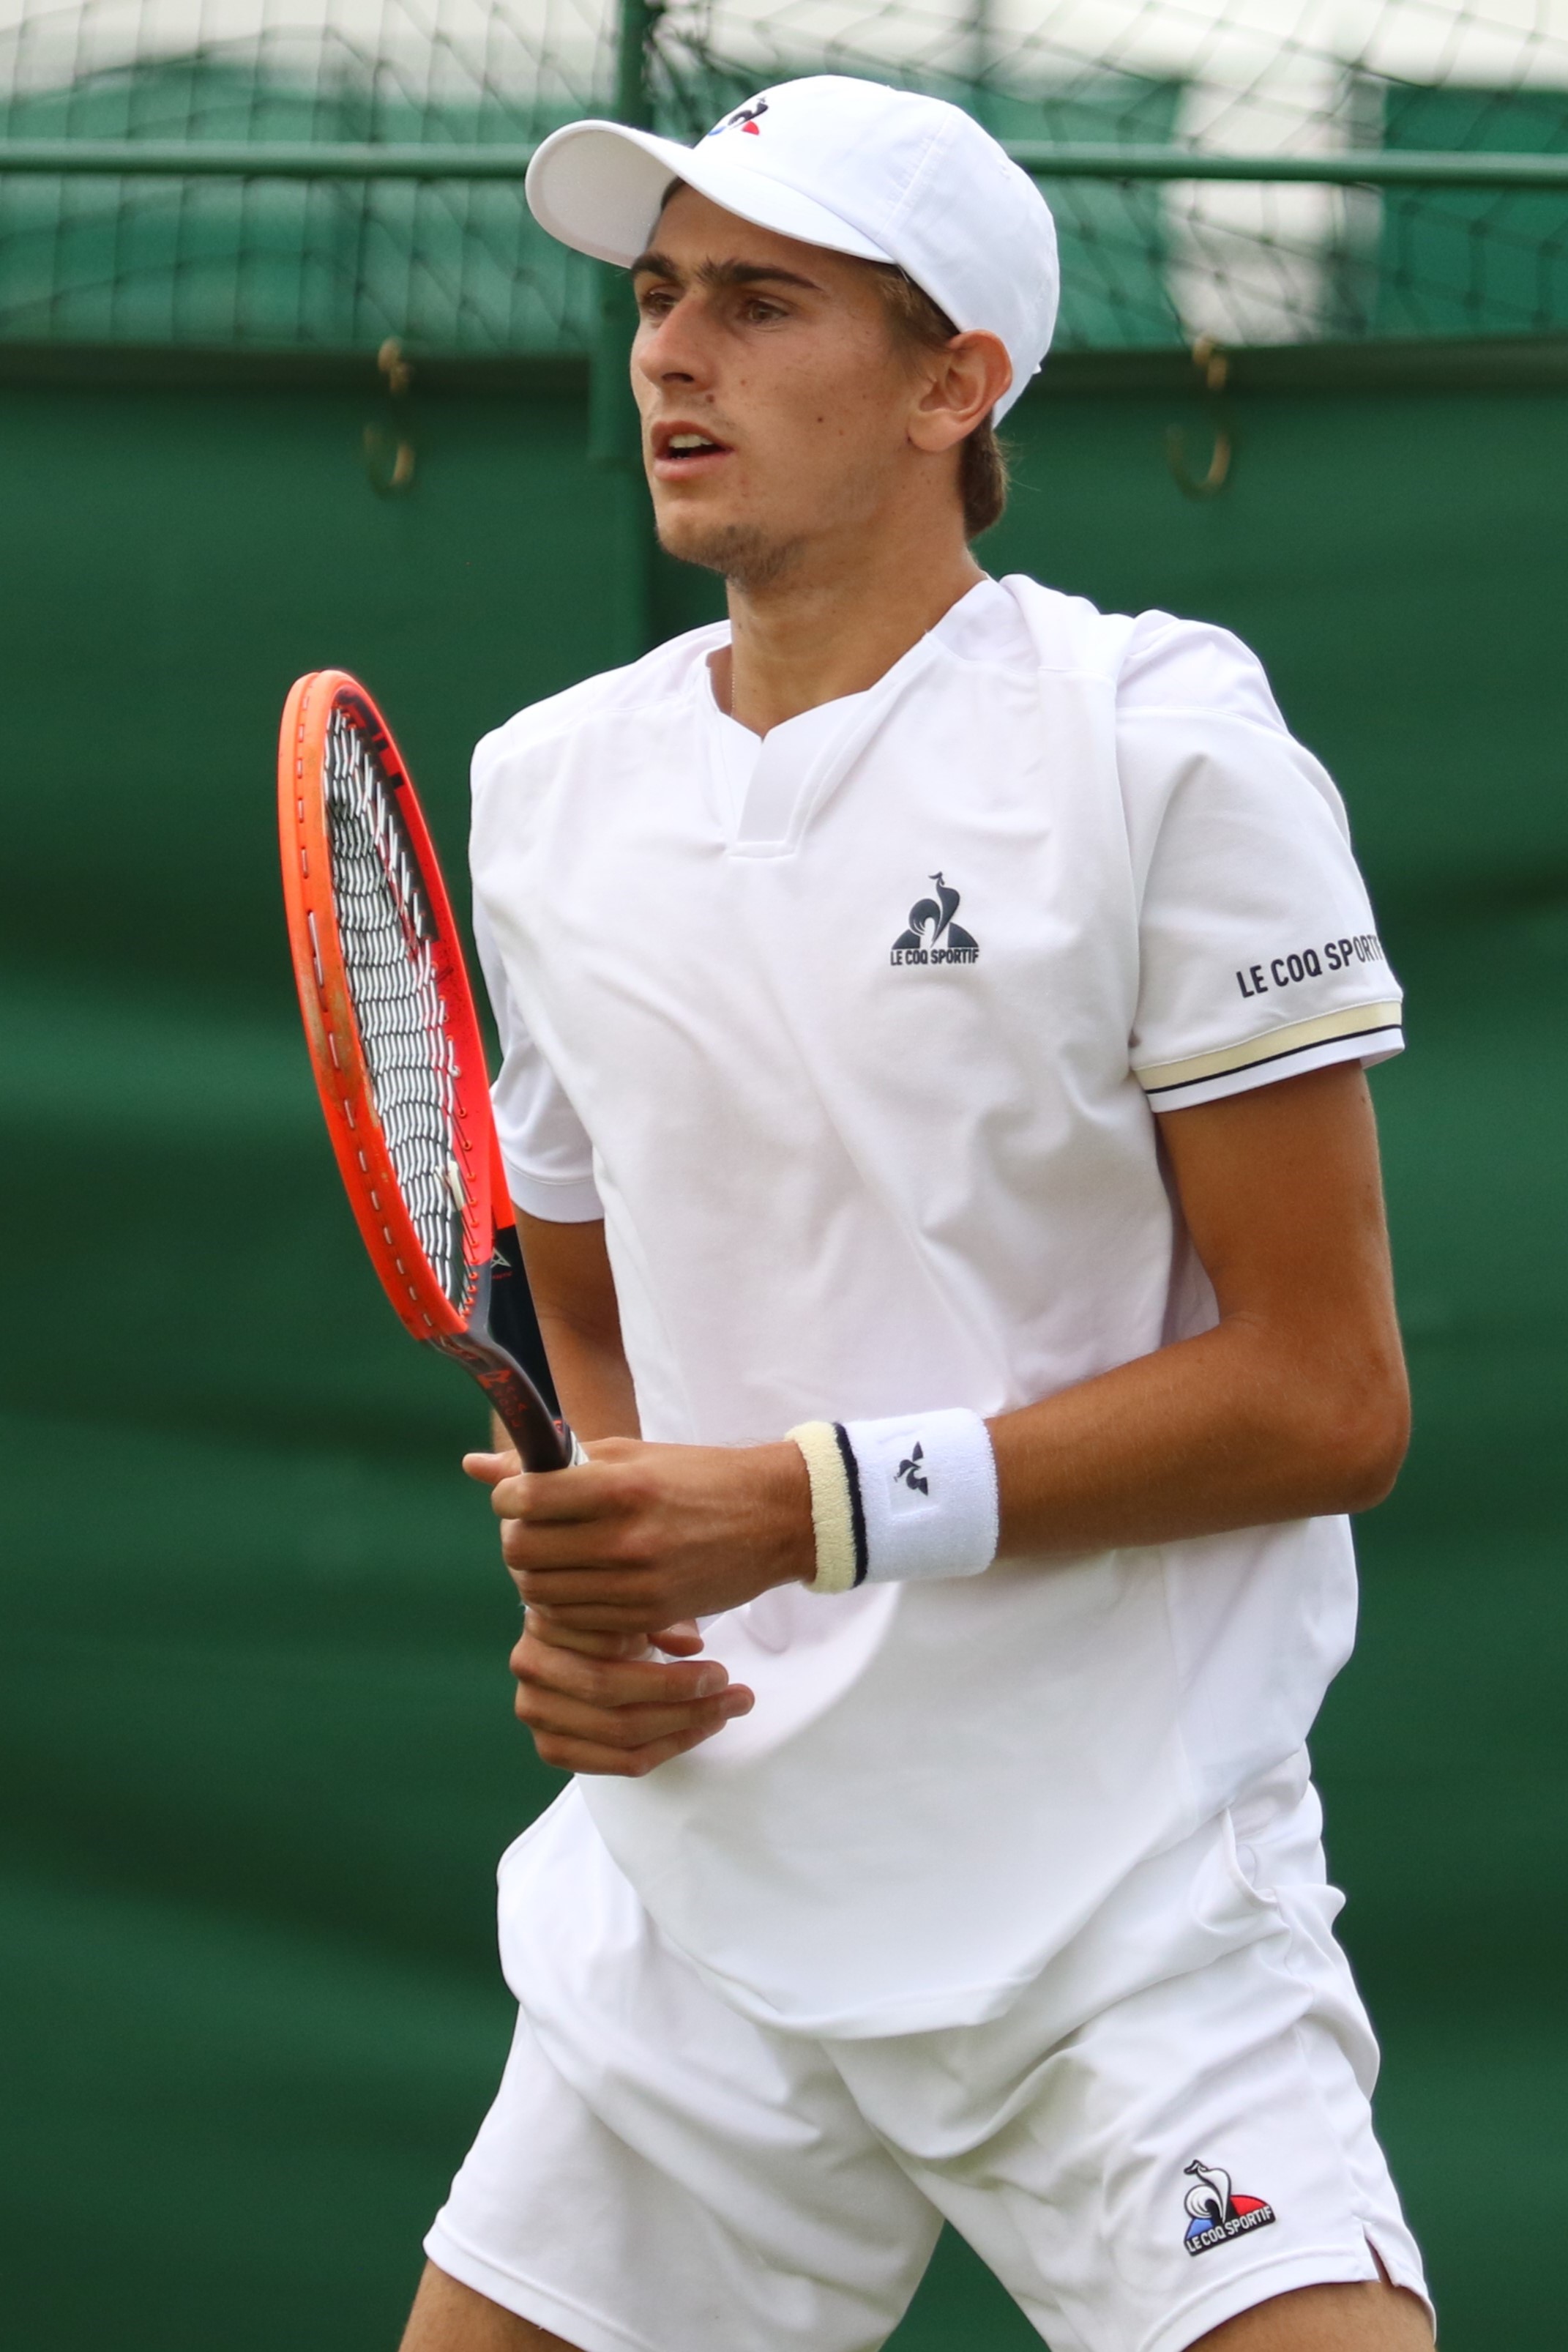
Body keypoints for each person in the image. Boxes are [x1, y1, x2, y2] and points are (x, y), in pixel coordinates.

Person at [401, 74, 1434, 2352]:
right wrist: (605, 1590)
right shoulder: (546, 792)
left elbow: (1327, 1395)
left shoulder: (1162, 739)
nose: (670, 352)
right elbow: (593, 1311)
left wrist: (794, 1507)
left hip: (1121, 1908)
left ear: (954, 381)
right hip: (702, 1914)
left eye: (760, 303)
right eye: (662, 296)